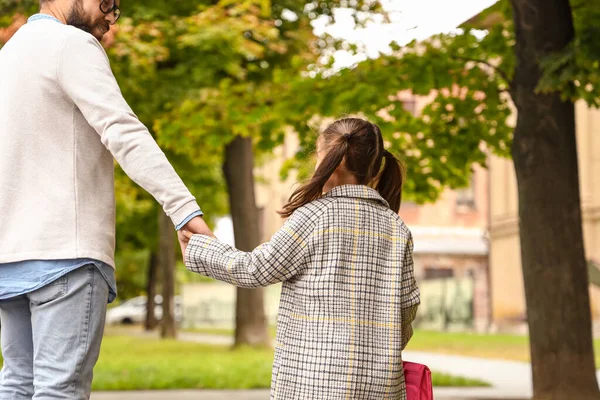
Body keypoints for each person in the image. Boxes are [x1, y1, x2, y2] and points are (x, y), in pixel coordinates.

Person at [0, 0, 212, 398]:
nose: (111, 18)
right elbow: (123, 131)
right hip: (67, 253)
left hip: (9, 261)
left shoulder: (8, 54)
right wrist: (184, 210)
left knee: (16, 384)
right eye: (108, 3)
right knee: (58, 390)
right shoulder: (70, 45)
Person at [180, 118, 420, 399]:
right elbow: (407, 309)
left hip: (316, 384)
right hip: (380, 387)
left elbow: (256, 269)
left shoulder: (313, 217)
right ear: (375, 165)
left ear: (331, 160)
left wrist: (199, 246)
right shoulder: (395, 227)